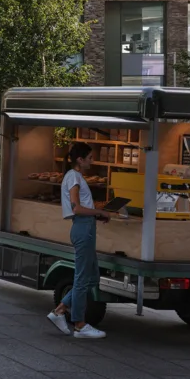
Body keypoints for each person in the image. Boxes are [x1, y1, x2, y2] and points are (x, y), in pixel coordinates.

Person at [47, 142, 110, 339]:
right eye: (90, 158)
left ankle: (60, 310)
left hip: (85, 227)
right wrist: (99, 211)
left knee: (92, 277)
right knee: (83, 278)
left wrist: (96, 215)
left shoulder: (74, 176)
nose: (92, 161)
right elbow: (76, 208)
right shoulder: (74, 177)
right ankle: (80, 325)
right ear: (80, 160)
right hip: (83, 228)